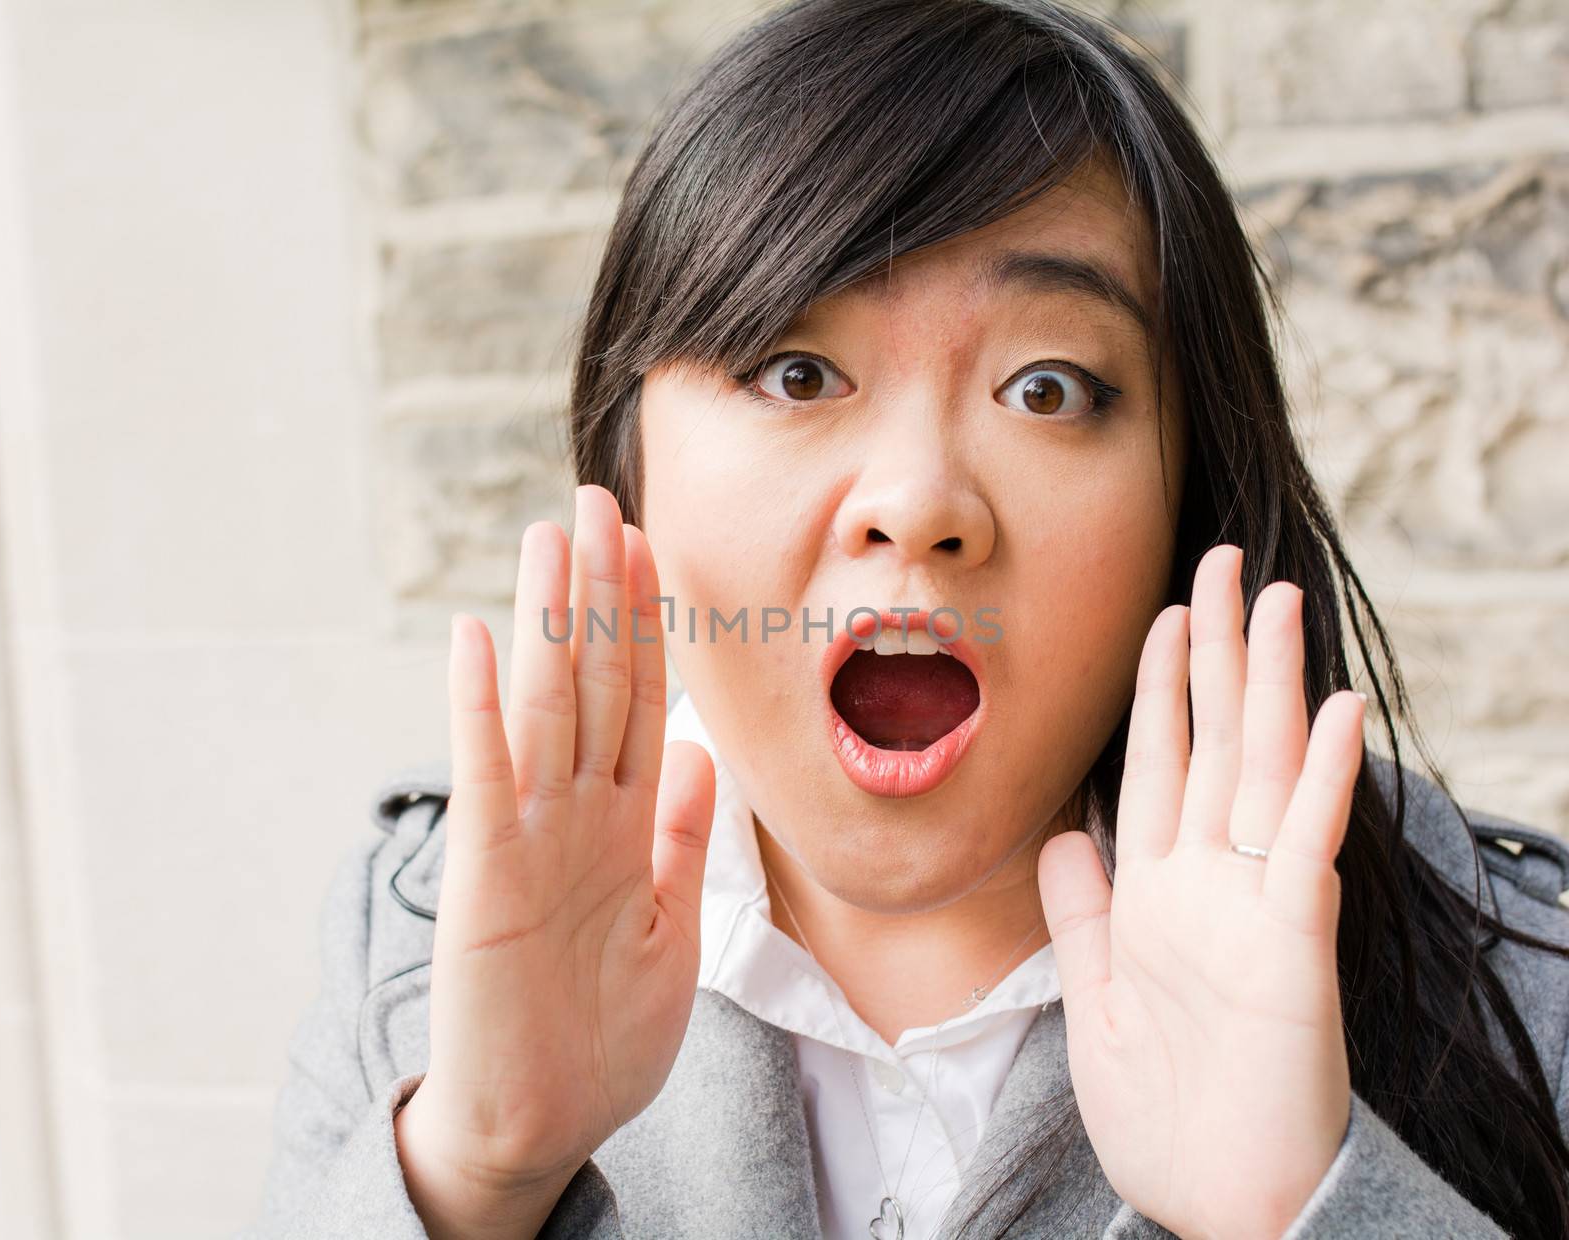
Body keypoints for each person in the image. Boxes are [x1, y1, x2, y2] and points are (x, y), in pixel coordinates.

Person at [240, 1, 1569, 1236]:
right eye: (797, 371)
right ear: (628, 456)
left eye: (1048, 388)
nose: (920, 501)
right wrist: (475, 1173)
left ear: (1191, 489)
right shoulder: (418, 935)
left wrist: (1299, 1204)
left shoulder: (1509, 973)